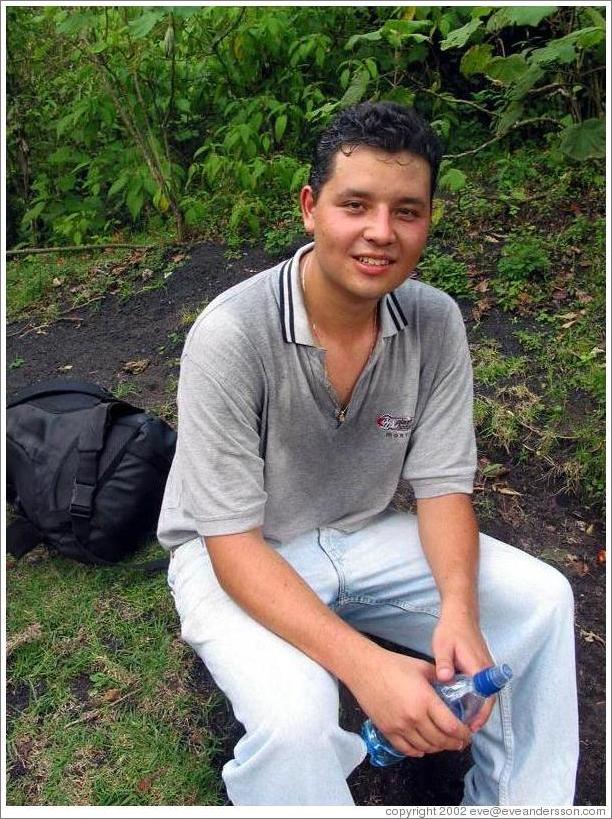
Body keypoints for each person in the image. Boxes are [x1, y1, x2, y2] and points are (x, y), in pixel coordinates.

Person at [157, 101, 579, 806]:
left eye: (406, 210)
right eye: (356, 204)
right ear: (310, 207)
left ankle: (523, 799)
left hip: (361, 533)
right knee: (296, 720)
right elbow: (230, 540)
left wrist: (459, 608)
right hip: (235, 550)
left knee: (541, 599)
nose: (380, 233)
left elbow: (444, 487)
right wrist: (368, 667)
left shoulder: (434, 319)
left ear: (429, 219)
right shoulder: (230, 333)